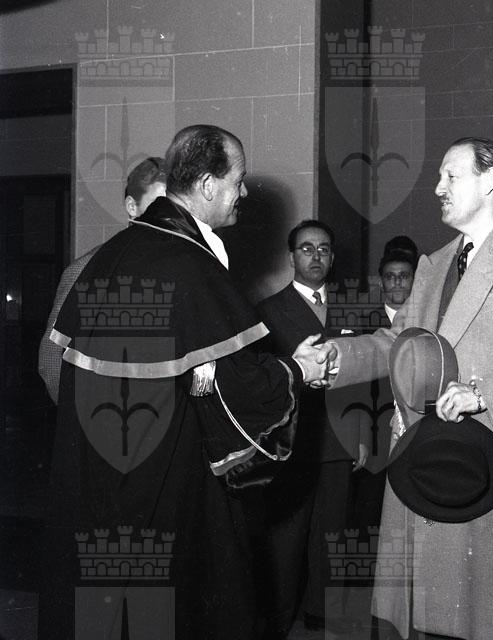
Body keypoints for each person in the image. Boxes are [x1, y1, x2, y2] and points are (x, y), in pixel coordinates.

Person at [38, 125, 330, 640]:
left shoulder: (111, 254)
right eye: (238, 180)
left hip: (101, 479)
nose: (243, 192)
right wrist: (299, 369)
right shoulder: (189, 263)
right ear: (209, 185)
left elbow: (60, 365)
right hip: (170, 479)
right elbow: (236, 386)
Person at [321, 137, 493, 639]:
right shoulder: (433, 265)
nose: (437, 188)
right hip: (432, 459)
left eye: (450, 176)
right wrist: (334, 359)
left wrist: (486, 393)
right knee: (436, 620)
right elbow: (397, 342)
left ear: (489, 181)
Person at [255, 219, 369, 638]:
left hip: (340, 438)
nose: (315, 256)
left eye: (323, 249)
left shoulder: (352, 307)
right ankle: (278, 617)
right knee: (287, 535)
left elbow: (365, 380)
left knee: (332, 531)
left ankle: (322, 612)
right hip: (293, 441)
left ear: (333, 257)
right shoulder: (268, 312)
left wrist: (363, 435)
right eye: (306, 249)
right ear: (291, 257)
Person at [38, 156, 167, 403]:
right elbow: (51, 361)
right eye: (159, 207)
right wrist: (78, 418)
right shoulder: (85, 269)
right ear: (132, 207)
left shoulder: (180, 269)